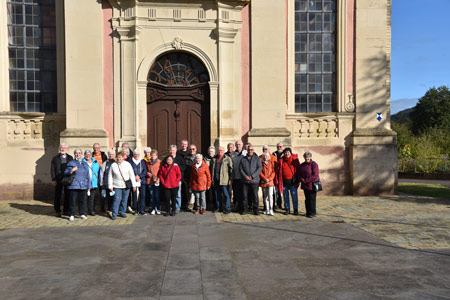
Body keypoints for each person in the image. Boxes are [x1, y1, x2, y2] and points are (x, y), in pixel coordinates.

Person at [108, 151, 137, 220]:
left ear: (123, 157)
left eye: (120, 157)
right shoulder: (113, 165)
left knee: (124, 199)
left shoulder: (127, 164)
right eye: (117, 157)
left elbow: (132, 175)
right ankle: (114, 213)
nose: (119, 159)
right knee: (116, 199)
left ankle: (122, 212)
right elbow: (110, 176)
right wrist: (110, 186)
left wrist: (134, 185)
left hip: (126, 186)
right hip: (116, 185)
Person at [64, 148, 91, 222]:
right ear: (74, 154)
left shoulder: (85, 163)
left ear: (81, 154)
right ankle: (72, 214)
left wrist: (89, 186)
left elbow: (88, 175)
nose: (78, 154)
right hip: (74, 185)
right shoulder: (71, 163)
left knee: (82, 200)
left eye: (79, 153)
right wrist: (71, 170)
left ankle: (82, 213)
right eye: (76, 153)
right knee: (72, 200)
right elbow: (65, 172)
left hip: (83, 185)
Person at [275, 148, 301, 215]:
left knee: (294, 196)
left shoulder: (295, 160)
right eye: (286, 152)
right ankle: (287, 209)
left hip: (293, 182)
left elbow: (298, 170)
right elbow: (277, 171)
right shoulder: (281, 161)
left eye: (288, 152)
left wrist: (298, 180)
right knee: (285, 196)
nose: (287, 154)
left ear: (290, 153)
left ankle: (295, 210)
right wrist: (277, 181)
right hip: (284, 182)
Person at [50, 143, 73, 217]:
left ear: (67, 149)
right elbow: (52, 169)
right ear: (59, 149)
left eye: (64, 148)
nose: (63, 149)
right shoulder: (55, 158)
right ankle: (57, 210)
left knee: (68, 194)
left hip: (67, 178)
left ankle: (66, 210)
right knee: (58, 195)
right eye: (61, 148)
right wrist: (53, 179)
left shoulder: (70, 157)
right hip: (58, 178)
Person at [240, 144, 262, 215]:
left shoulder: (257, 158)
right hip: (245, 181)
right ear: (247, 150)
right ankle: (245, 210)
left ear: (253, 150)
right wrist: (245, 176)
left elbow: (259, 168)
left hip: (254, 181)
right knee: (244, 196)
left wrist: (252, 176)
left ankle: (256, 210)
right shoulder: (243, 159)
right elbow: (240, 169)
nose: (250, 151)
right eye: (249, 150)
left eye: (251, 150)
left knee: (255, 196)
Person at [297, 152, 320, 218]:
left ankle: (312, 213)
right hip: (305, 185)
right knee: (307, 199)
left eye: (308, 157)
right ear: (304, 157)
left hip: (312, 185)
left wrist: (306, 180)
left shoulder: (314, 164)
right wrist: (302, 179)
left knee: (312, 199)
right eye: (306, 157)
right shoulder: (302, 165)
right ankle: (307, 212)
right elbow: (299, 174)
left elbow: (315, 175)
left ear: (310, 157)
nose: (307, 158)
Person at [211, 146, 233, 214]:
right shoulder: (214, 159)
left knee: (226, 195)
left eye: (221, 150)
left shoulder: (227, 159)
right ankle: (219, 207)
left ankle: (227, 208)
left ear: (224, 151)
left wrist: (230, 179)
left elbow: (231, 170)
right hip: (216, 180)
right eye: (219, 150)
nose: (220, 152)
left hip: (224, 180)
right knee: (217, 194)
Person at [165, 145, 186, 212]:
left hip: (177, 180)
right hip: (168, 181)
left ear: (176, 150)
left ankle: (177, 207)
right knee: (169, 195)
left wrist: (177, 166)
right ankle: (171, 207)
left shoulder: (180, 158)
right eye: (171, 150)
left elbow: (184, 168)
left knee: (177, 194)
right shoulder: (166, 158)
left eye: (173, 150)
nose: (172, 152)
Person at [83, 150, 101, 216]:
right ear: (84, 155)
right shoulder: (82, 162)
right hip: (85, 183)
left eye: (89, 155)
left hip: (93, 183)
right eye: (86, 154)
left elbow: (99, 172)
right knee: (84, 198)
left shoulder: (96, 162)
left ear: (91, 155)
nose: (88, 156)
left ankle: (91, 210)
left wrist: (100, 181)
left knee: (92, 198)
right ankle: (84, 211)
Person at [130, 149, 148, 216]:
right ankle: (135, 209)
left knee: (142, 195)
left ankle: (141, 210)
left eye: (138, 154)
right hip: (133, 181)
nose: (136, 156)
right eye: (135, 154)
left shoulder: (142, 161)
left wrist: (139, 176)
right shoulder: (130, 162)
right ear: (133, 155)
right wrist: (134, 177)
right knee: (134, 196)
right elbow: (129, 171)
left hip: (142, 181)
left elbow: (145, 171)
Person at [144, 149, 161, 215]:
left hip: (156, 181)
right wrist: (148, 173)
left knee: (157, 195)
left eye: (154, 155)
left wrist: (158, 178)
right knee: (152, 196)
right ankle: (153, 208)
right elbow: (146, 170)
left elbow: (160, 172)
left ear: (156, 156)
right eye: (152, 155)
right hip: (150, 181)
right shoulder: (148, 162)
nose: (153, 156)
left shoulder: (159, 162)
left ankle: (158, 208)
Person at [231, 140, 245, 208]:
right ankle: (238, 206)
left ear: (242, 145)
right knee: (236, 193)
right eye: (237, 144)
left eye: (239, 144)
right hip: (235, 177)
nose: (238, 146)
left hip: (243, 177)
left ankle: (243, 207)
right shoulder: (232, 154)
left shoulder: (245, 153)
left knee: (243, 193)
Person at [184, 144, 197, 211]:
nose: (192, 150)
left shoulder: (198, 157)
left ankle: (196, 206)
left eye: (193, 149)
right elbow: (184, 168)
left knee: (196, 193)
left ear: (196, 149)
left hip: (196, 179)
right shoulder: (186, 158)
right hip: (188, 178)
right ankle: (189, 206)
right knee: (189, 193)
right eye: (190, 149)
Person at [272, 142, 284, 210]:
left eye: (280, 146)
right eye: (278, 146)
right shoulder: (274, 154)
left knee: (283, 191)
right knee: (276, 191)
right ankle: (276, 204)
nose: (279, 148)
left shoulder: (285, 154)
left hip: (283, 175)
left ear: (283, 147)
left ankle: (283, 205)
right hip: (275, 175)